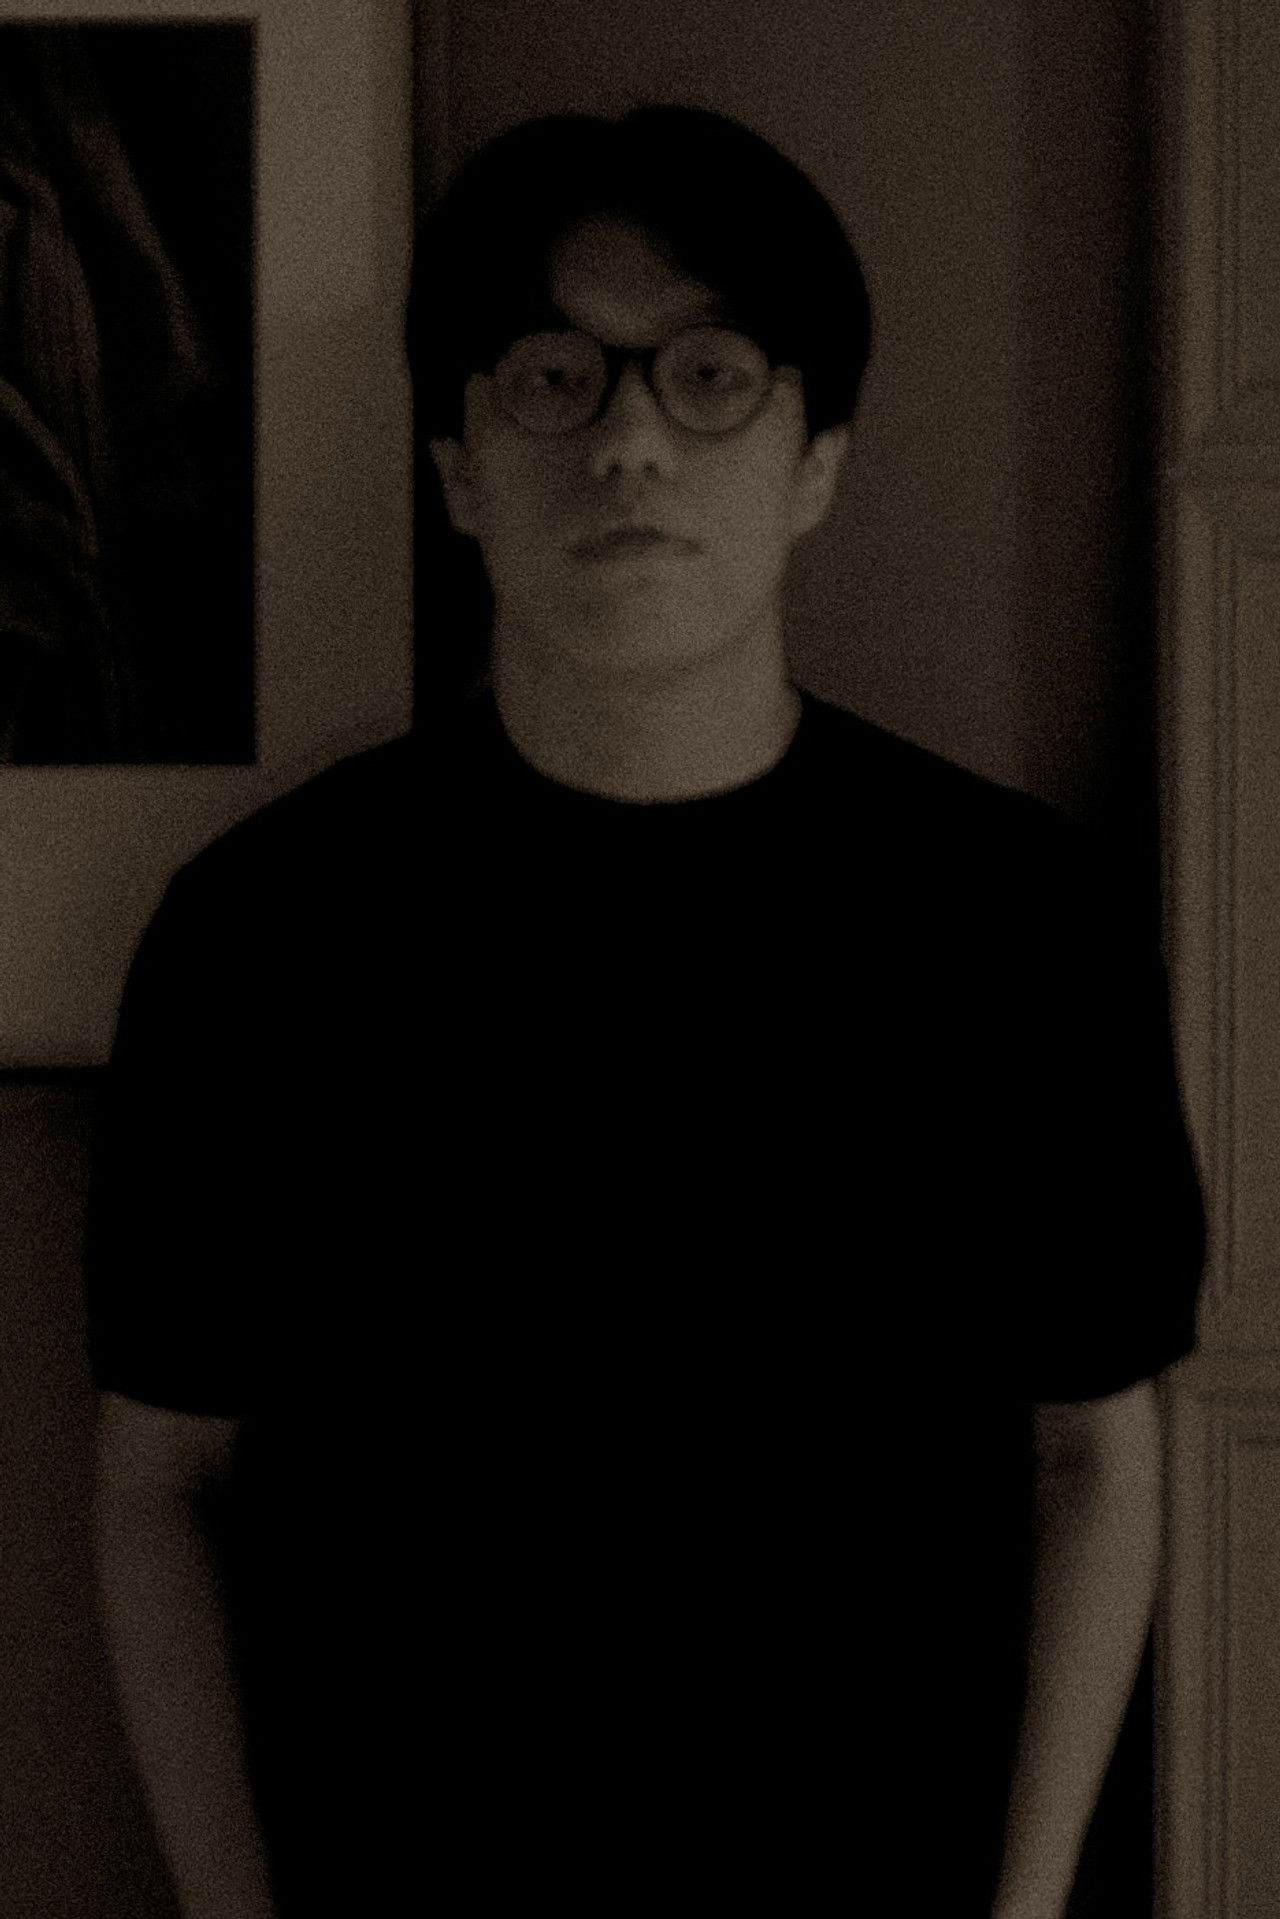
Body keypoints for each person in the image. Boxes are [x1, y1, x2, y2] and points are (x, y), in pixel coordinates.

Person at [86, 104, 1206, 1919]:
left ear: (816, 460)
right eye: (553, 378)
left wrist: (1025, 1906)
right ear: (458, 467)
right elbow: (162, 1479)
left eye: (707, 376)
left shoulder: (1020, 924)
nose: (628, 444)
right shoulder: (262, 937)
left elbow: (1093, 1451)